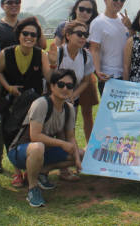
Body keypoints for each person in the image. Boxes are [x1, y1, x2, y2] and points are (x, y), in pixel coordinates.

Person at [6, 68, 84, 208]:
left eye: (69, 86)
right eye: (60, 84)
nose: (65, 88)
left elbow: (71, 137)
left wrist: (77, 160)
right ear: (52, 86)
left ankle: (42, 171)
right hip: (20, 151)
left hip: (44, 152)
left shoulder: (69, 109)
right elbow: (34, 136)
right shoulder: (41, 104)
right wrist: (61, 143)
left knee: (81, 153)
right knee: (38, 147)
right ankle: (33, 188)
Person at [0, 0, 46, 173]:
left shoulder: (26, 25)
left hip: (27, 81)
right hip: (6, 81)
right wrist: (0, 85)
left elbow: (42, 46)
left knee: (24, 122)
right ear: (2, 5)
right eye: (9, 2)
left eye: (17, 2)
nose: (14, 5)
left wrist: (37, 25)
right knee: (1, 121)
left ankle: (23, 159)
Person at [0, 16, 51, 187]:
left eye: (33, 35)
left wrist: (53, 63)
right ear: (18, 35)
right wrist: (8, 87)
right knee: (10, 134)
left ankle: (30, 170)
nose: (29, 38)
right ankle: (17, 173)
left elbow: (49, 77)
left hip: (33, 103)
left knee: (30, 135)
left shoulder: (41, 55)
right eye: (25, 33)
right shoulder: (7, 53)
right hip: (11, 102)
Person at [48, 20, 94, 182]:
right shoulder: (59, 53)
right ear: (67, 35)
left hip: (71, 100)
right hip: (54, 101)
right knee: (53, 132)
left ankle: (65, 169)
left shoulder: (86, 56)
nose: (83, 38)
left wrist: (74, 94)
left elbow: (86, 81)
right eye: (79, 34)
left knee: (69, 131)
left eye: (85, 35)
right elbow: (49, 78)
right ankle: (45, 168)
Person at [51, 0, 100, 143]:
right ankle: (67, 150)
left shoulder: (93, 27)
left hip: (84, 73)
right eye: (82, 9)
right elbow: (56, 52)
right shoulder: (63, 27)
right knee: (67, 114)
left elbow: (96, 49)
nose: (85, 12)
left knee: (87, 113)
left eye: (89, 10)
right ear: (75, 9)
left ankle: (89, 146)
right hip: (63, 76)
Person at [89, 0, 132, 95]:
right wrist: (97, 71)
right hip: (108, 76)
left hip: (126, 74)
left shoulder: (124, 20)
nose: (119, 2)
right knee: (111, 111)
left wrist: (131, 28)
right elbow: (94, 49)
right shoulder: (98, 23)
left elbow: (132, 43)